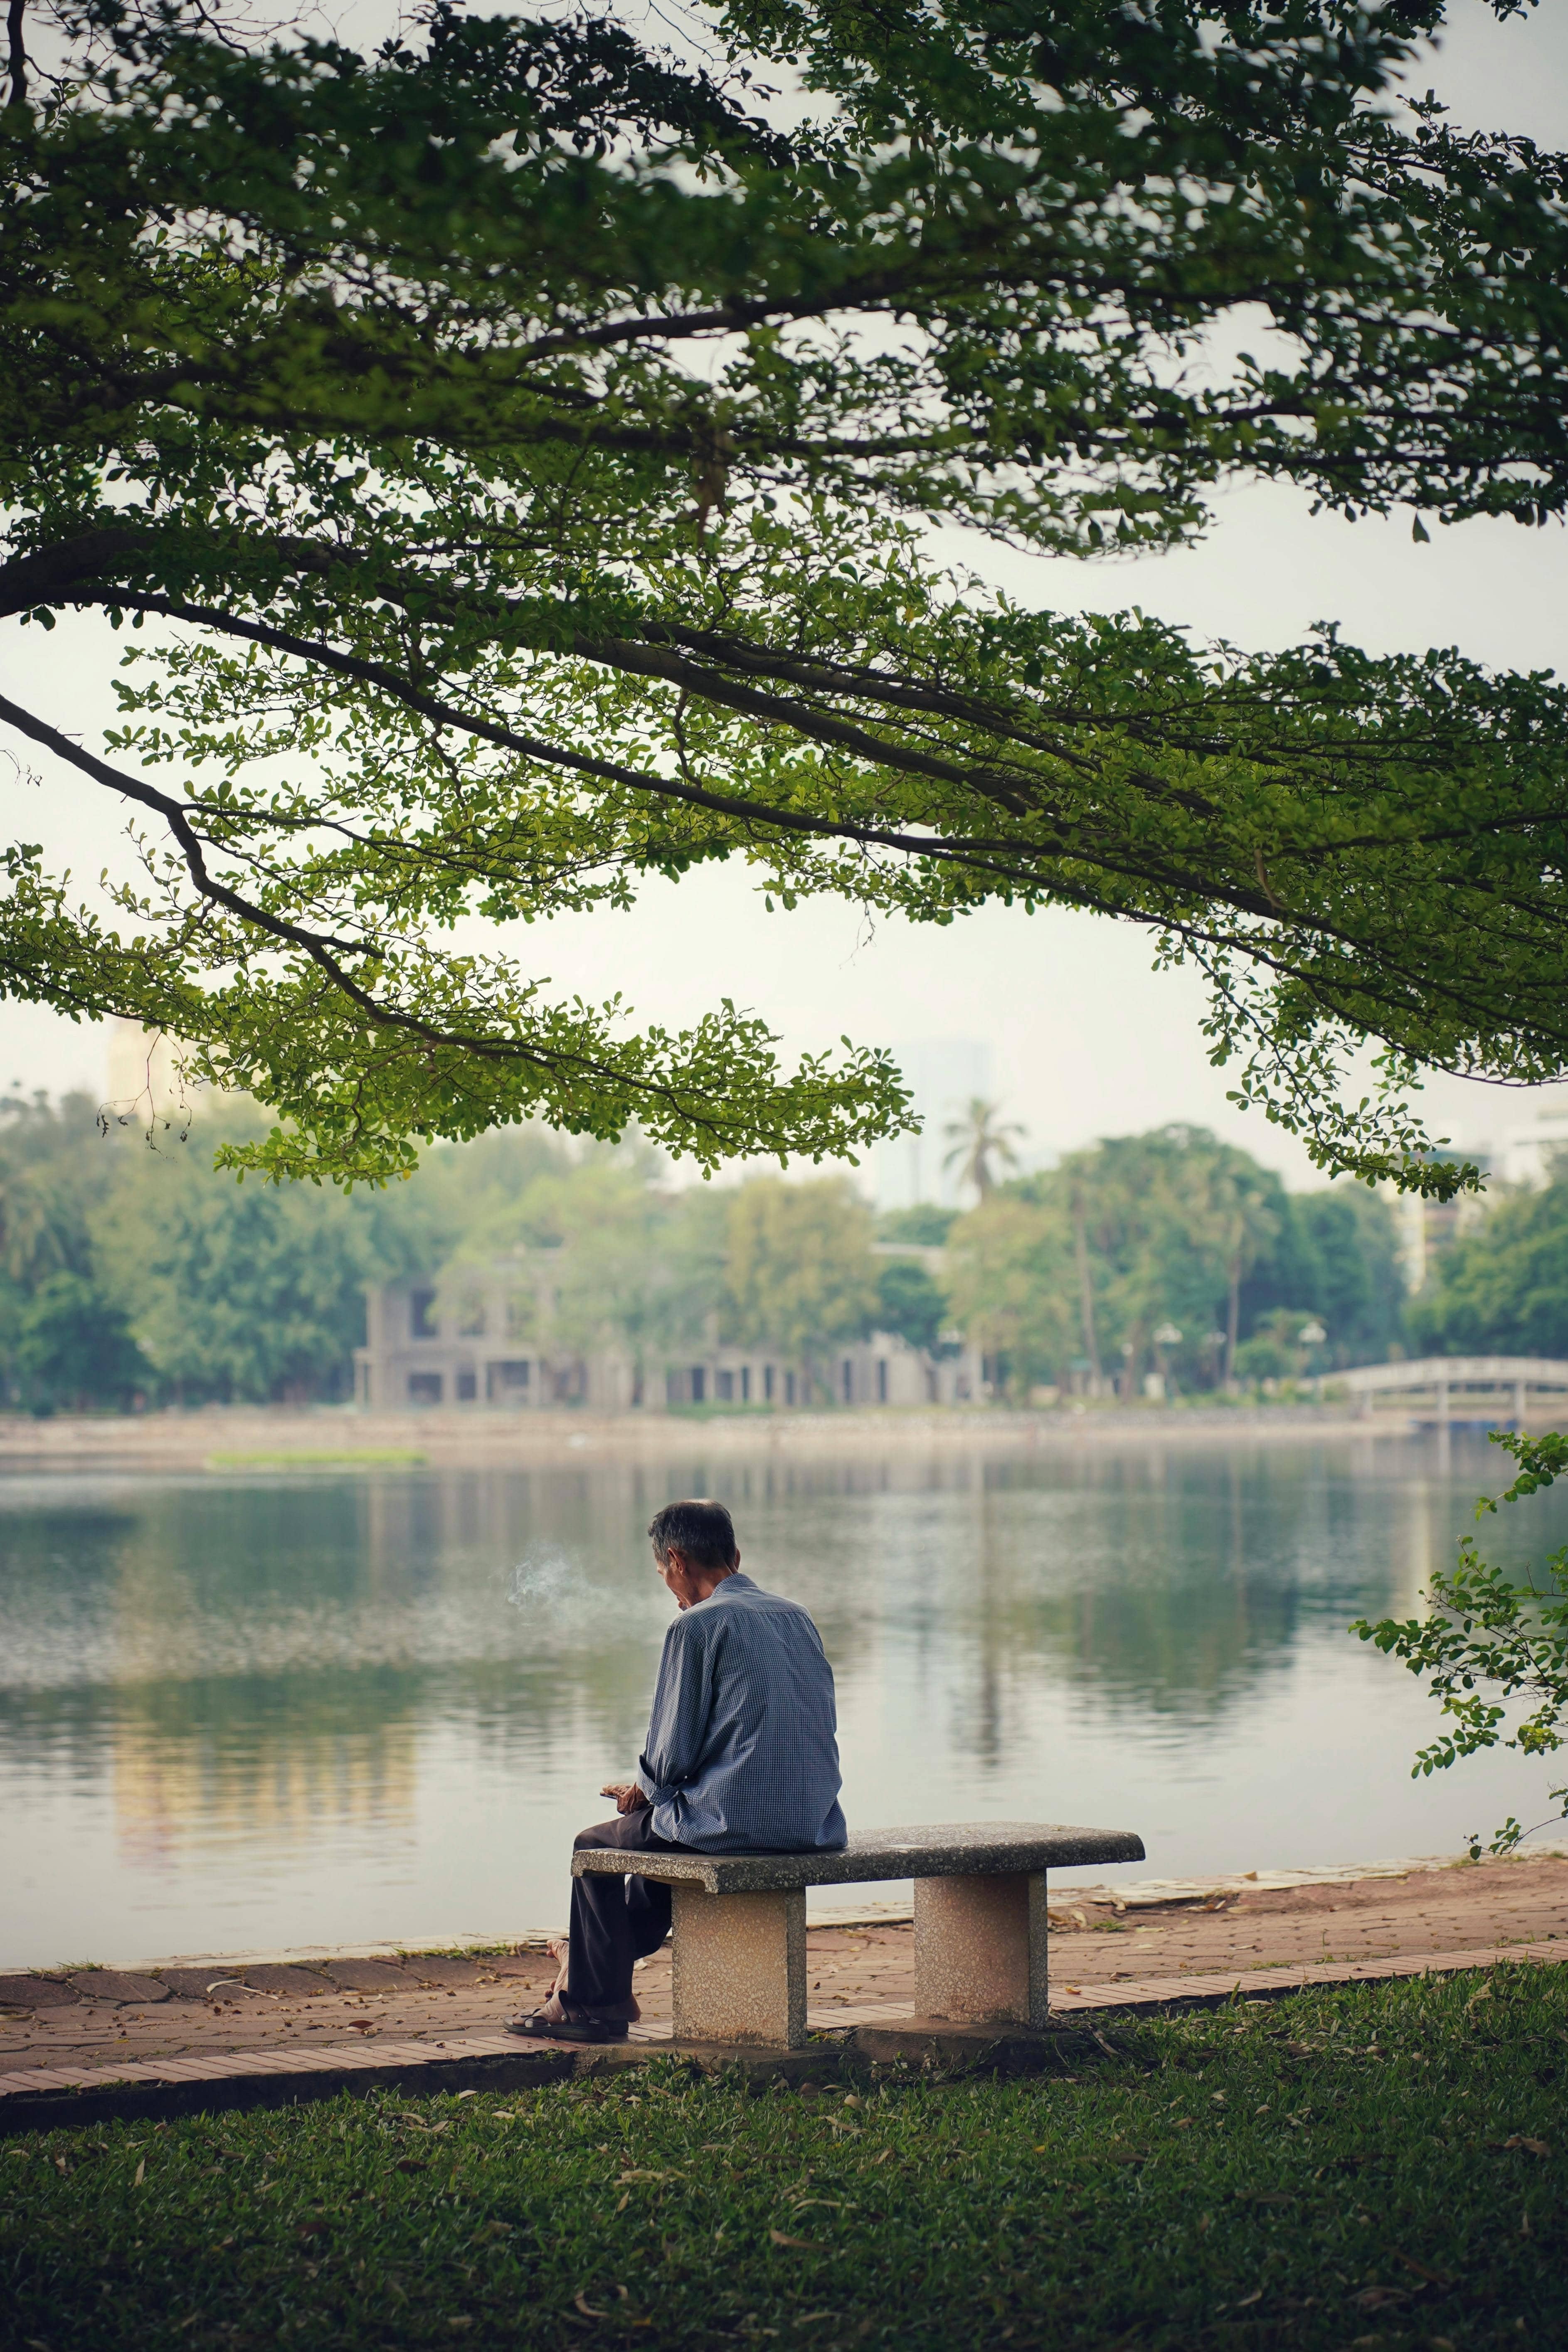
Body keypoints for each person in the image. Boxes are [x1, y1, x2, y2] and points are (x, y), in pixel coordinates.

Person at [509, 1497, 846, 2043]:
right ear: (735, 1555)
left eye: (662, 1570)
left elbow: (669, 1760)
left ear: (675, 1560)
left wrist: (639, 1790)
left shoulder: (695, 1627)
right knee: (656, 1859)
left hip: (734, 1824)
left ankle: (593, 2005)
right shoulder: (795, 1616)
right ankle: (584, 1975)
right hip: (813, 1822)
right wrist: (654, 1790)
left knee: (593, 1847)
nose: (667, 1581)